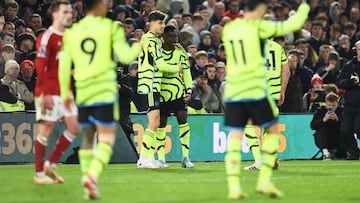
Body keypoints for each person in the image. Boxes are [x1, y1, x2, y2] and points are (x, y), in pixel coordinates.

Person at [222, 0, 309, 199]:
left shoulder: (231, 30)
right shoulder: (264, 33)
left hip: (236, 89)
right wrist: (303, 8)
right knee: (271, 130)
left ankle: (234, 186)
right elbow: (292, 26)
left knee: (236, 136)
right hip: (256, 89)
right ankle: (264, 178)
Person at [59, 0, 140, 199]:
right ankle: (92, 176)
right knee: (105, 139)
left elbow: (64, 67)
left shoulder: (73, 32)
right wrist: (139, 45)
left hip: (84, 92)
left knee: (88, 138)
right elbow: (127, 55)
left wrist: (64, 96)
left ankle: (87, 178)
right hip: (103, 91)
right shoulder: (109, 29)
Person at [33, 0, 80, 185]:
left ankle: (51, 164)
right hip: (49, 91)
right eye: (65, 12)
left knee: (75, 127)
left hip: (65, 92)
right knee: (46, 130)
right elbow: (41, 69)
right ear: (55, 15)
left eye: (70, 12)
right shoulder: (47, 37)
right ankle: (39, 174)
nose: (69, 15)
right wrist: (46, 94)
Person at [136, 10, 182, 169]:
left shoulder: (153, 40)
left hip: (152, 84)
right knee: (154, 122)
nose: (163, 26)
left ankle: (148, 157)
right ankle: (144, 158)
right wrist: (178, 68)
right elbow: (160, 65)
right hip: (149, 83)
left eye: (164, 23)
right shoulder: (150, 40)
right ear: (152, 23)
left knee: (155, 122)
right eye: (161, 23)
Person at [243, 39, 290, 170]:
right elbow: (286, 71)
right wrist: (282, 91)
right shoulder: (277, 47)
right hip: (273, 93)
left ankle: (258, 160)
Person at [155, 25, 194, 168]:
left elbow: (187, 73)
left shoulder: (181, 53)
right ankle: (161, 158)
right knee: (161, 124)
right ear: (163, 37)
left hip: (178, 93)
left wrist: (188, 90)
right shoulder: (157, 52)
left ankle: (185, 157)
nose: (174, 39)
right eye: (171, 36)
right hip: (162, 93)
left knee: (183, 121)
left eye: (176, 36)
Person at [336, 40, 360, 160]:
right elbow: (339, 82)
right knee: (345, 130)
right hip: (350, 104)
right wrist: (351, 82)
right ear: (356, 51)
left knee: (358, 129)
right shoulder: (348, 66)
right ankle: (353, 152)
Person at [310, 93, 345, 160]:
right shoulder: (320, 111)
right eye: (329, 105)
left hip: (337, 138)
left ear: (337, 104)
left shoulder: (341, 111)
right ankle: (325, 152)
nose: (331, 107)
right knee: (321, 129)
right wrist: (324, 120)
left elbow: (347, 126)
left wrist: (337, 119)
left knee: (345, 129)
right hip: (323, 139)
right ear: (325, 104)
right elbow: (312, 126)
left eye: (333, 105)